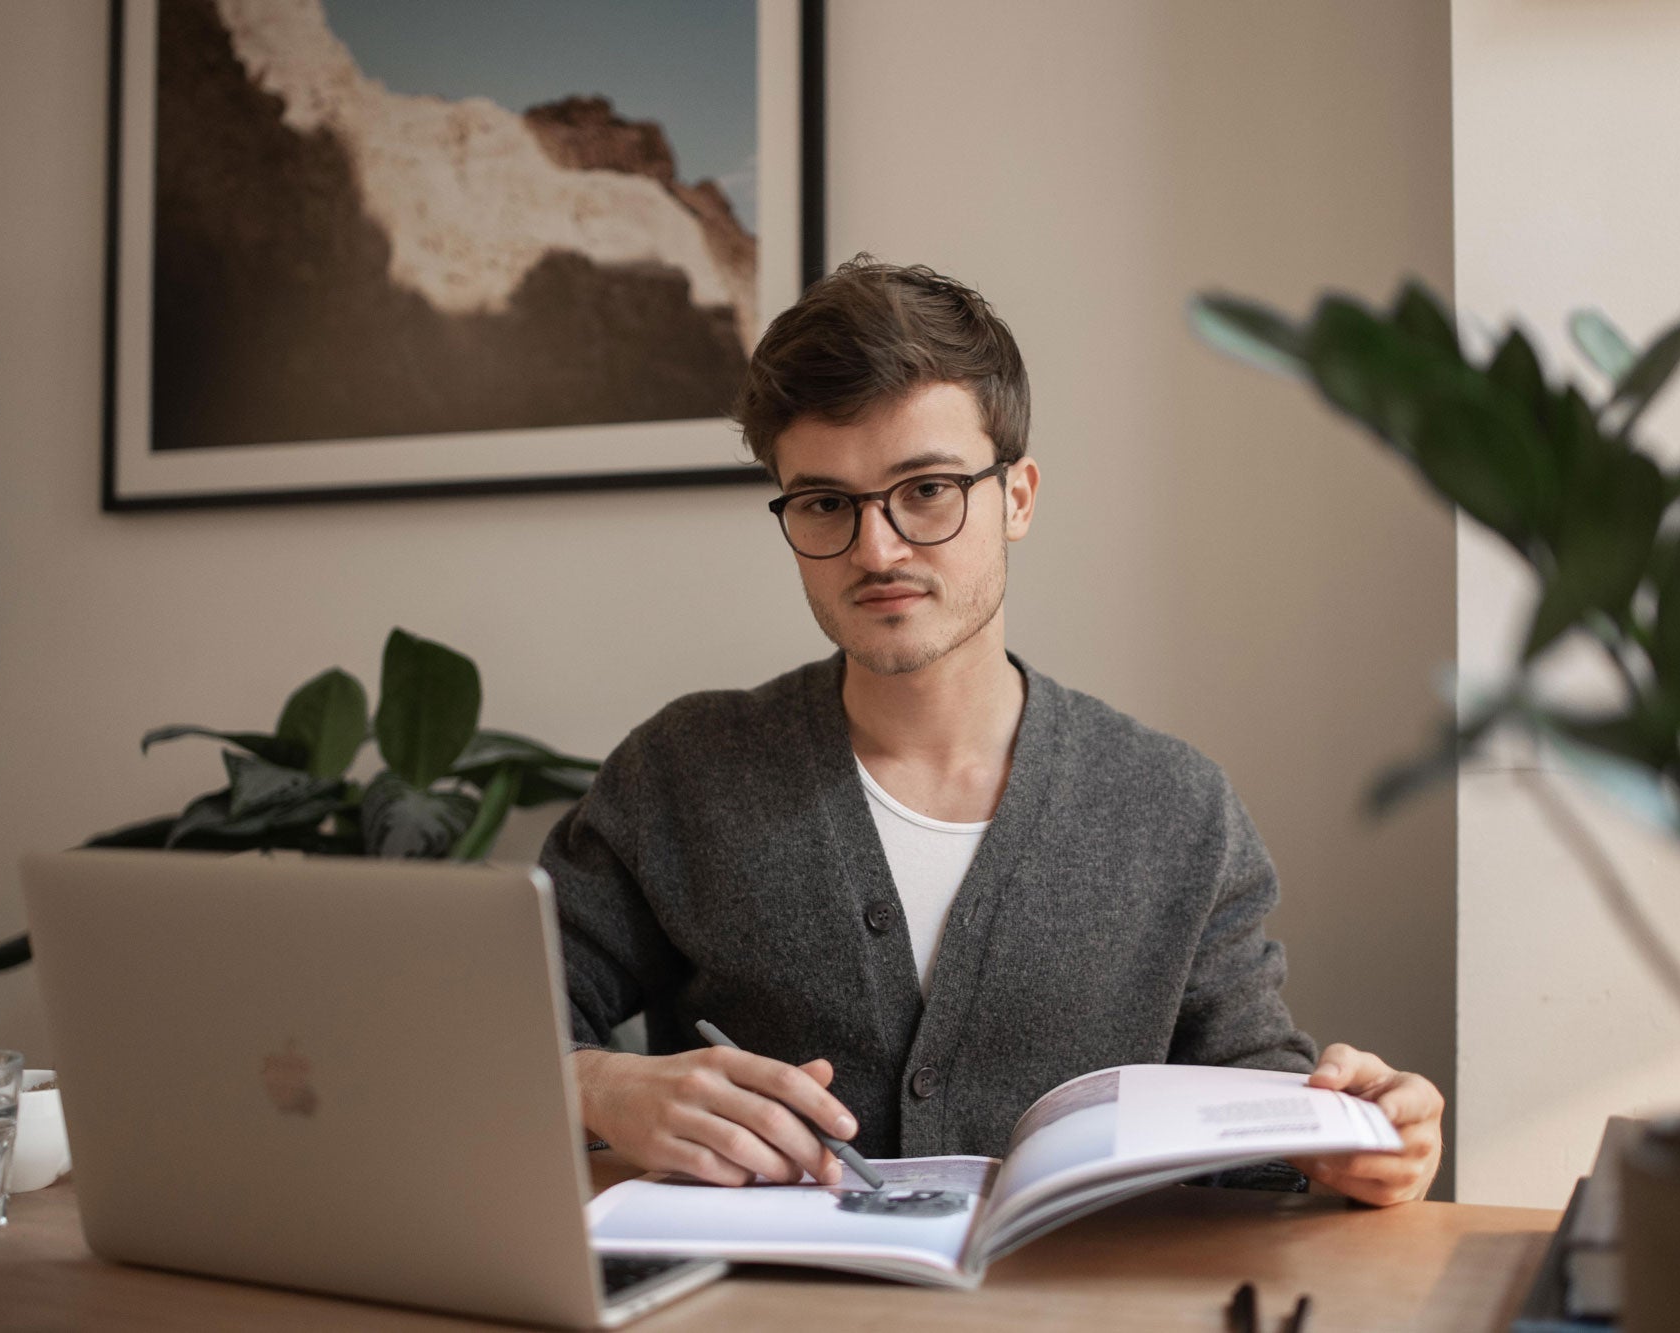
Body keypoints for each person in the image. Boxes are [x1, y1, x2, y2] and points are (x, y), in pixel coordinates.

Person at [541, 256, 1443, 1207]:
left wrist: (1357, 1139)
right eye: (823, 504)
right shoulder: (682, 775)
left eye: (926, 488)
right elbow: (482, 1027)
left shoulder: (1175, 809)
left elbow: (1257, 1130)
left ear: (1016, 497)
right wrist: (599, 1086)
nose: (877, 547)